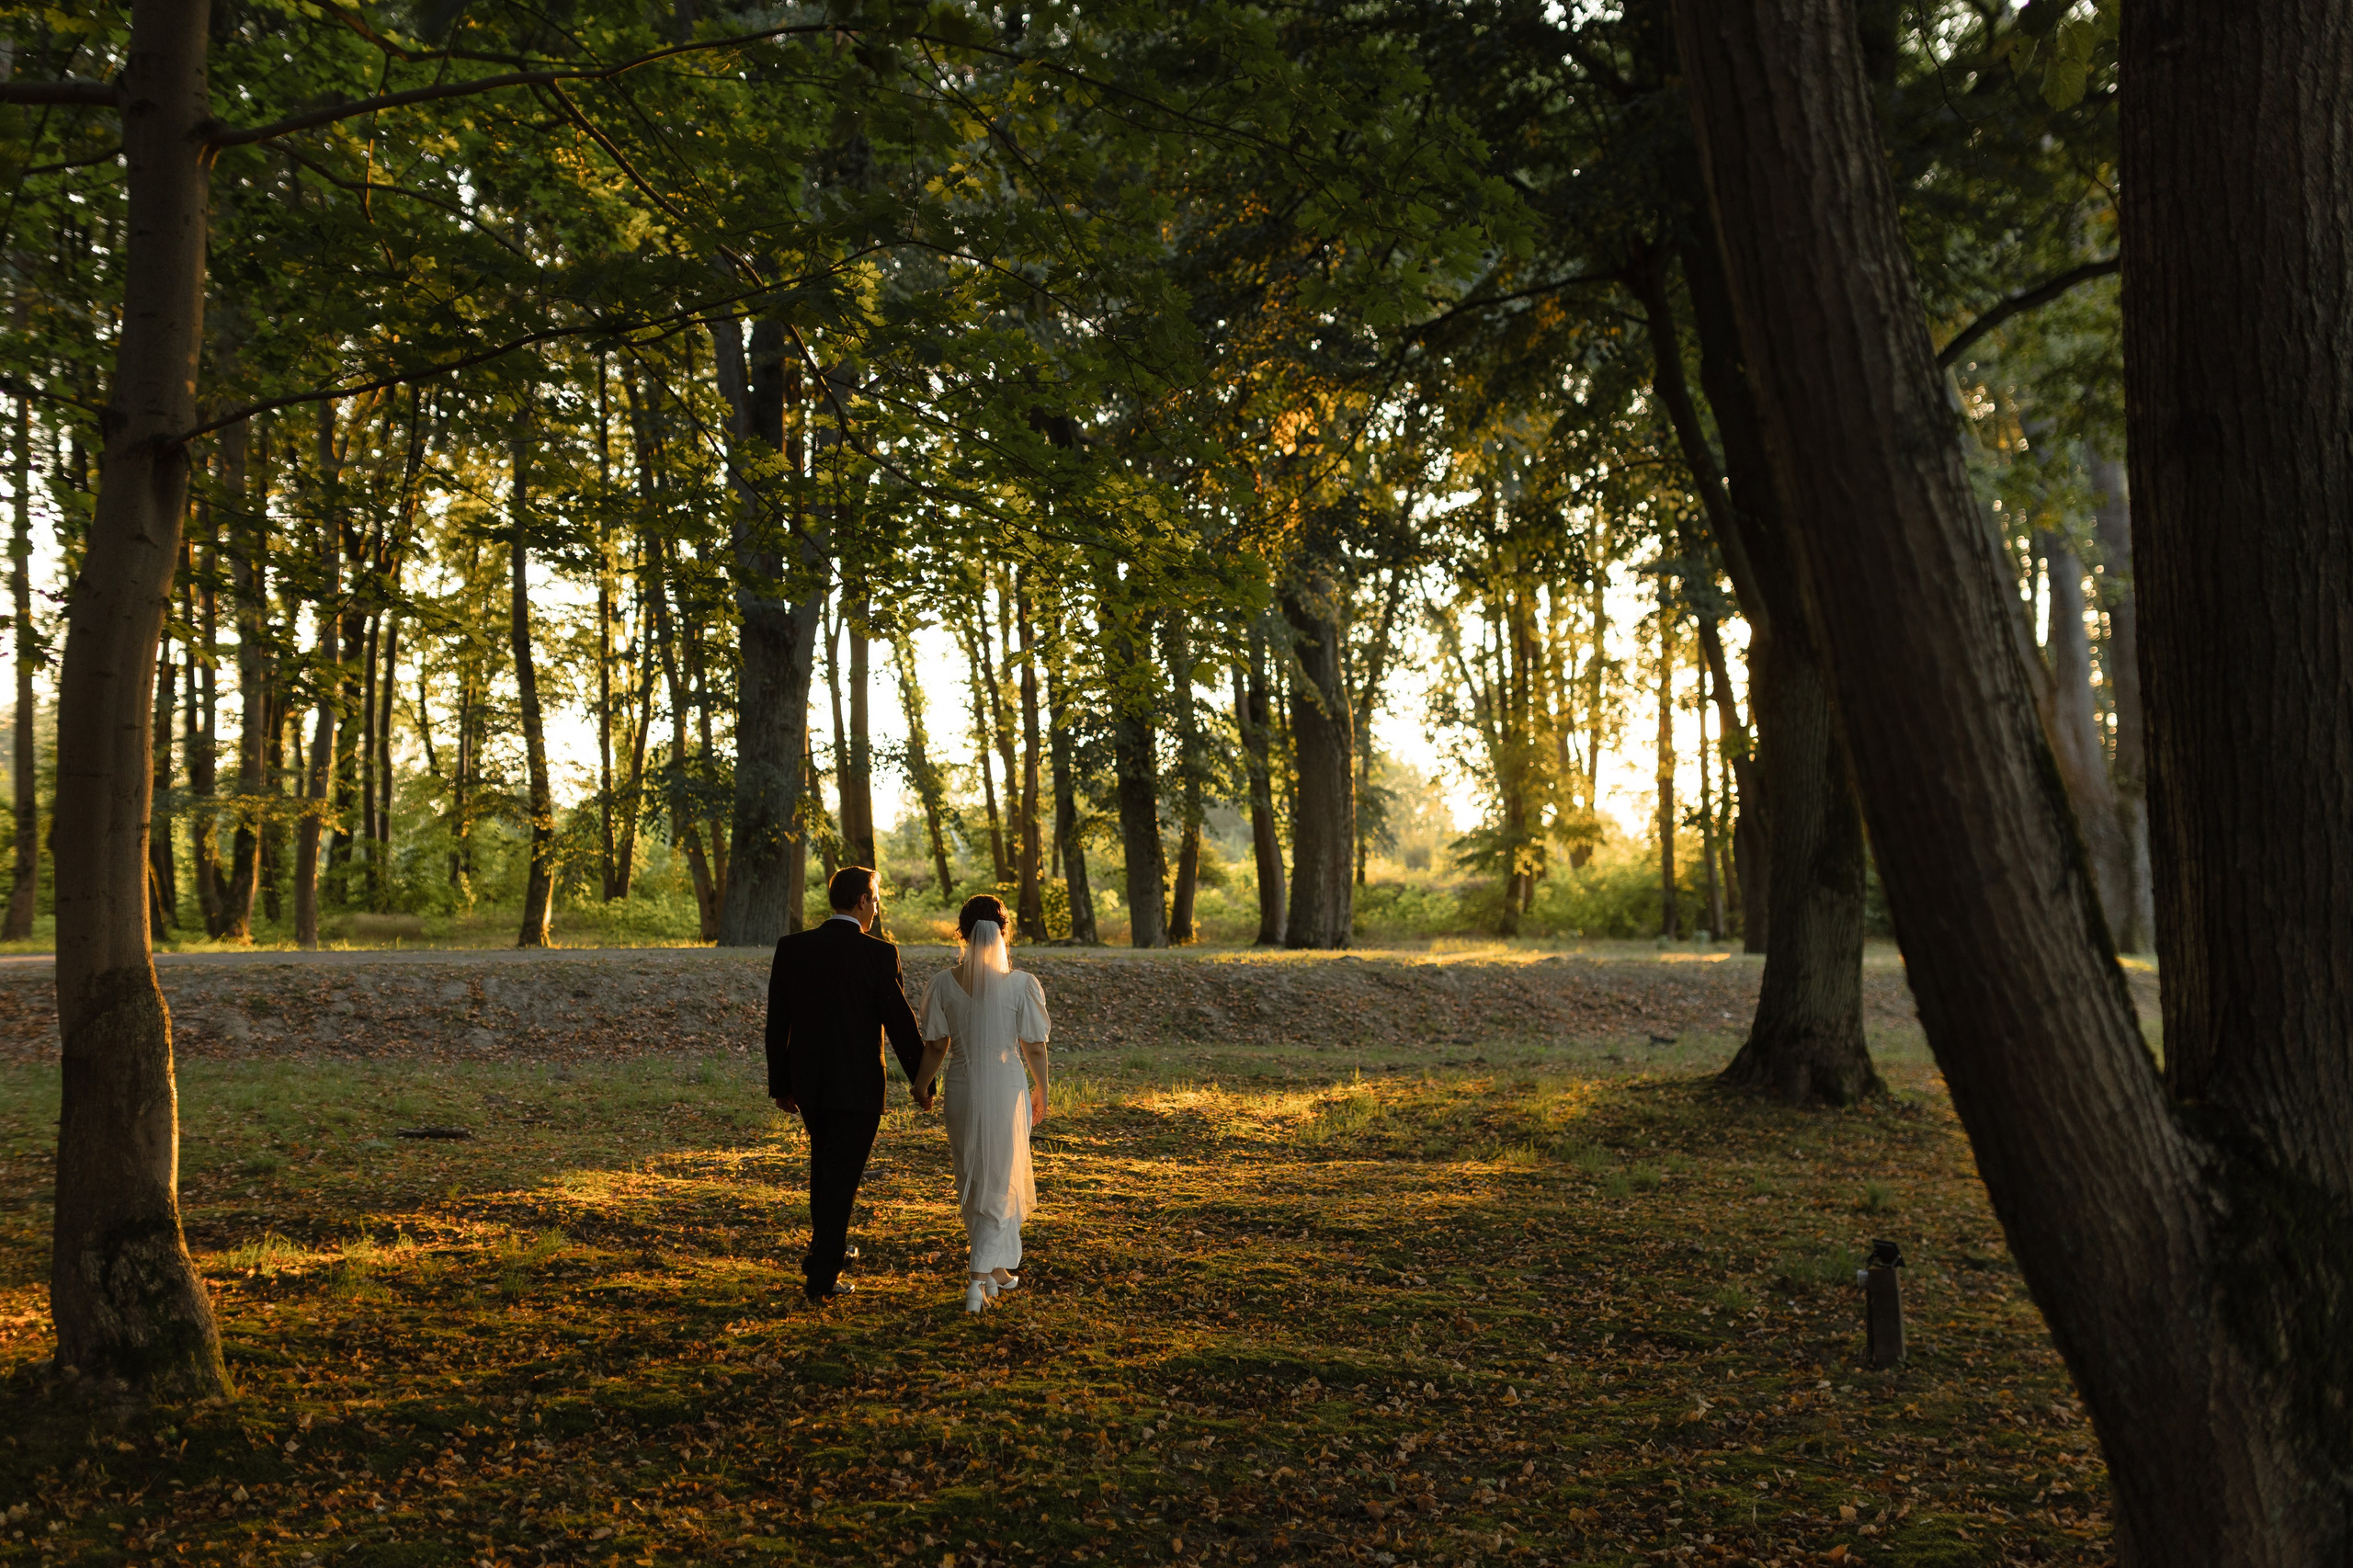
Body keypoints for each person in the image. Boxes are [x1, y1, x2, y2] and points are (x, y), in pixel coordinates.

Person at [764, 866, 929, 1303]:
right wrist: (922, 1080)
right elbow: (900, 1023)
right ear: (861, 901)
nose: (876, 907)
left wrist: (781, 1083)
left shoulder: (793, 948)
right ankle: (822, 1275)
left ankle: (827, 1248)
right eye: (874, 899)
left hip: (810, 1085)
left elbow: (777, 1022)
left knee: (826, 1169)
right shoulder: (878, 954)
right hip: (857, 1089)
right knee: (840, 1179)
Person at [914, 894, 1051, 1313]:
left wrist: (921, 1084)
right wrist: (1042, 1089)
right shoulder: (1022, 983)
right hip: (1006, 1084)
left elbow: (937, 1044)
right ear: (1003, 932)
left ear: (962, 932)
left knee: (973, 1176)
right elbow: (1035, 1046)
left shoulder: (942, 982)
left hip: (960, 1084)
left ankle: (996, 1271)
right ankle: (977, 1280)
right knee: (998, 1176)